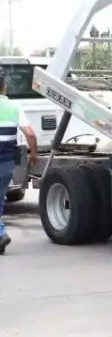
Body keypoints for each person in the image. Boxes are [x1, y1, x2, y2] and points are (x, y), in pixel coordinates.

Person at [0, 73, 38, 255]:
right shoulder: (14, 107)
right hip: (7, 162)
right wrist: (34, 154)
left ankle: (1, 234)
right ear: (4, 87)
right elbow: (30, 134)